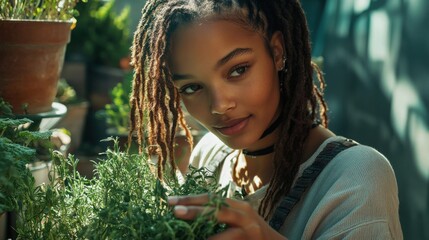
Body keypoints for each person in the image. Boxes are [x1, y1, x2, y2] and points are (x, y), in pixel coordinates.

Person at [129, 0, 403, 239]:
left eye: (238, 70)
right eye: (191, 87)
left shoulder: (357, 175)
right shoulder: (210, 157)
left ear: (277, 52)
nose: (219, 106)